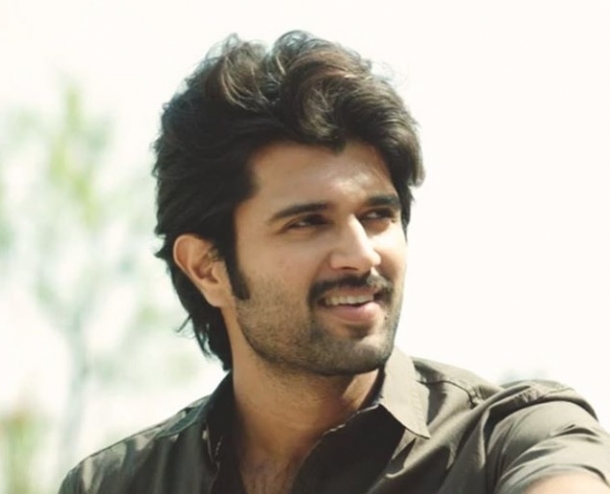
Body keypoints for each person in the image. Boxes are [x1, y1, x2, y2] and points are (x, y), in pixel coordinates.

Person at [58, 31, 610, 494]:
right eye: (307, 222)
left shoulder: (510, 441)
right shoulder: (117, 484)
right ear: (208, 267)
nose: (361, 254)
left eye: (377, 216)